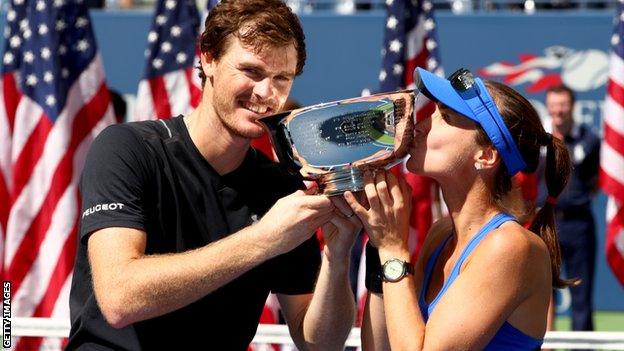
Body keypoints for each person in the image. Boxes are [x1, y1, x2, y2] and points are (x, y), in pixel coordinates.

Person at [67, 1, 358, 349]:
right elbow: (119, 297)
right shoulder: (127, 148)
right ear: (208, 58)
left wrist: (337, 255)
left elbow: (318, 343)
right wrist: (264, 238)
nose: (267, 93)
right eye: (251, 71)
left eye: (282, 78)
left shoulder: (279, 186)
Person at [343, 67, 575, 350]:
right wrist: (380, 248)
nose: (422, 124)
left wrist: (393, 249)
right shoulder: (440, 235)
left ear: (486, 155)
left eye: (446, 117)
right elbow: (380, 348)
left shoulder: (512, 247)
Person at [542, 84, 600, 332]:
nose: (559, 110)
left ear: (573, 106)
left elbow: (595, 182)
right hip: (546, 224)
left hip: (578, 225)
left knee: (581, 295)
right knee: (543, 294)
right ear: (548, 106)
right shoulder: (539, 139)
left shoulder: (590, 139)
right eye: (554, 104)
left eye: (563, 104)